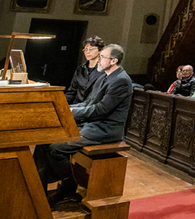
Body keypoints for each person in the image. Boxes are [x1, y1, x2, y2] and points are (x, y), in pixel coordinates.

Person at [35, 43, 132, 204]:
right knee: (43, 141)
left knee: (56, 148)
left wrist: (71, 113)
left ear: (113, 61)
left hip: (104, 130)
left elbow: (101, 110)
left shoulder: (121, 81)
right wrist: (66, 108)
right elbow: (89, 102)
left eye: (102, 57)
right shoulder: (106, 76)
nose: (99, 60)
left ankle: (67, 186)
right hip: (92, 124)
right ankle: (37, 186)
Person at [64, 36, 104, 104]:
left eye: (91, 49)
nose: (87, 52)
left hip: (93, 109)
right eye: (85, 49)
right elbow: (72, 91)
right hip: (77, 107)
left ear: (100, 51)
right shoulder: (80, 69)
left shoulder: (104, 70)